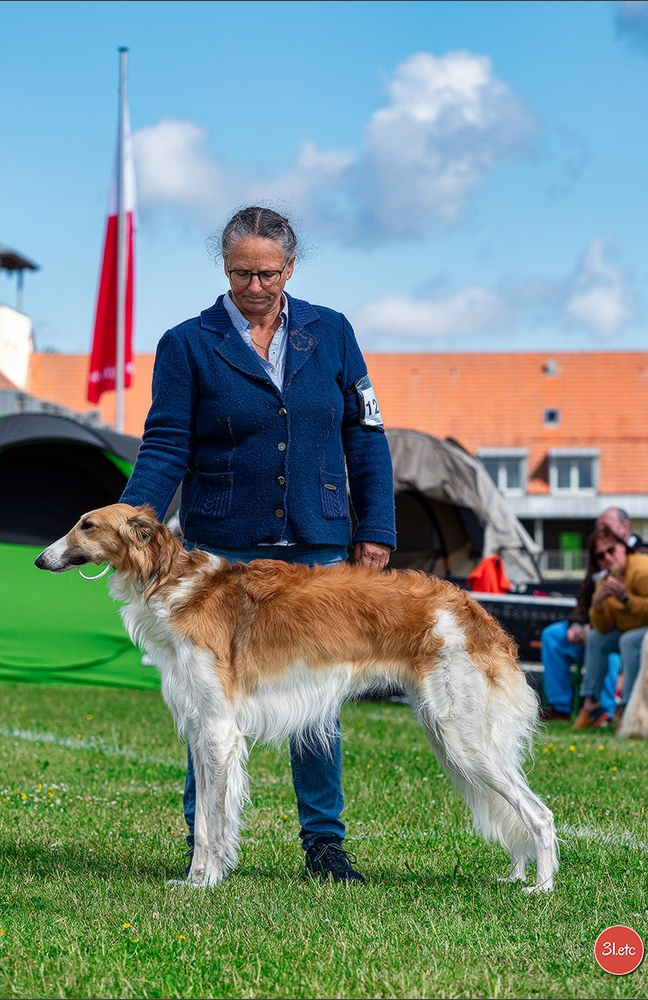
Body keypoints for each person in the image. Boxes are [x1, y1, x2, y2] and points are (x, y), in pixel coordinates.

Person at [120, 206, 396, 883]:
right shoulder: (187, 343)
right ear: (224, 268)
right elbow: (164, 445)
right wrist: (133, 520)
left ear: (290, 269)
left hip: (318, 542)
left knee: (318, 705)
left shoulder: (332, 333)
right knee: (206, 701)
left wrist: (376, 530)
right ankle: (203, 839)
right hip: (222, 552)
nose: (255, 286)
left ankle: (324, 845)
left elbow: (366, 437)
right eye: (241, 272)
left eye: (267, 273)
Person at [539, 508, 646, 721]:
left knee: (605, 641)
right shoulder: (598, 556)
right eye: (599, 527)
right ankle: (560, 706)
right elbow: (583, 598)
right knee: (552, 635)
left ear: (624, 528)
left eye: (605, 527)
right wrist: (577, 624)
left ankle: (604, 709)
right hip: (592, 622)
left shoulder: (644, 554)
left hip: (624, 628)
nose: (606, 557)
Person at [573, 524, 648, 730]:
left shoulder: (644, 568)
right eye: (600, 556)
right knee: (596, 638)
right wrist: (597, 605)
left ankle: (628, 711)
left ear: (623, 546)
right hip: (635, 630)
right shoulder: (606, 580)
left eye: (611, 550)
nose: (607, 557)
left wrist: (625, 598)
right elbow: (603, 628)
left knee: (629, 640)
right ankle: (591, 705)